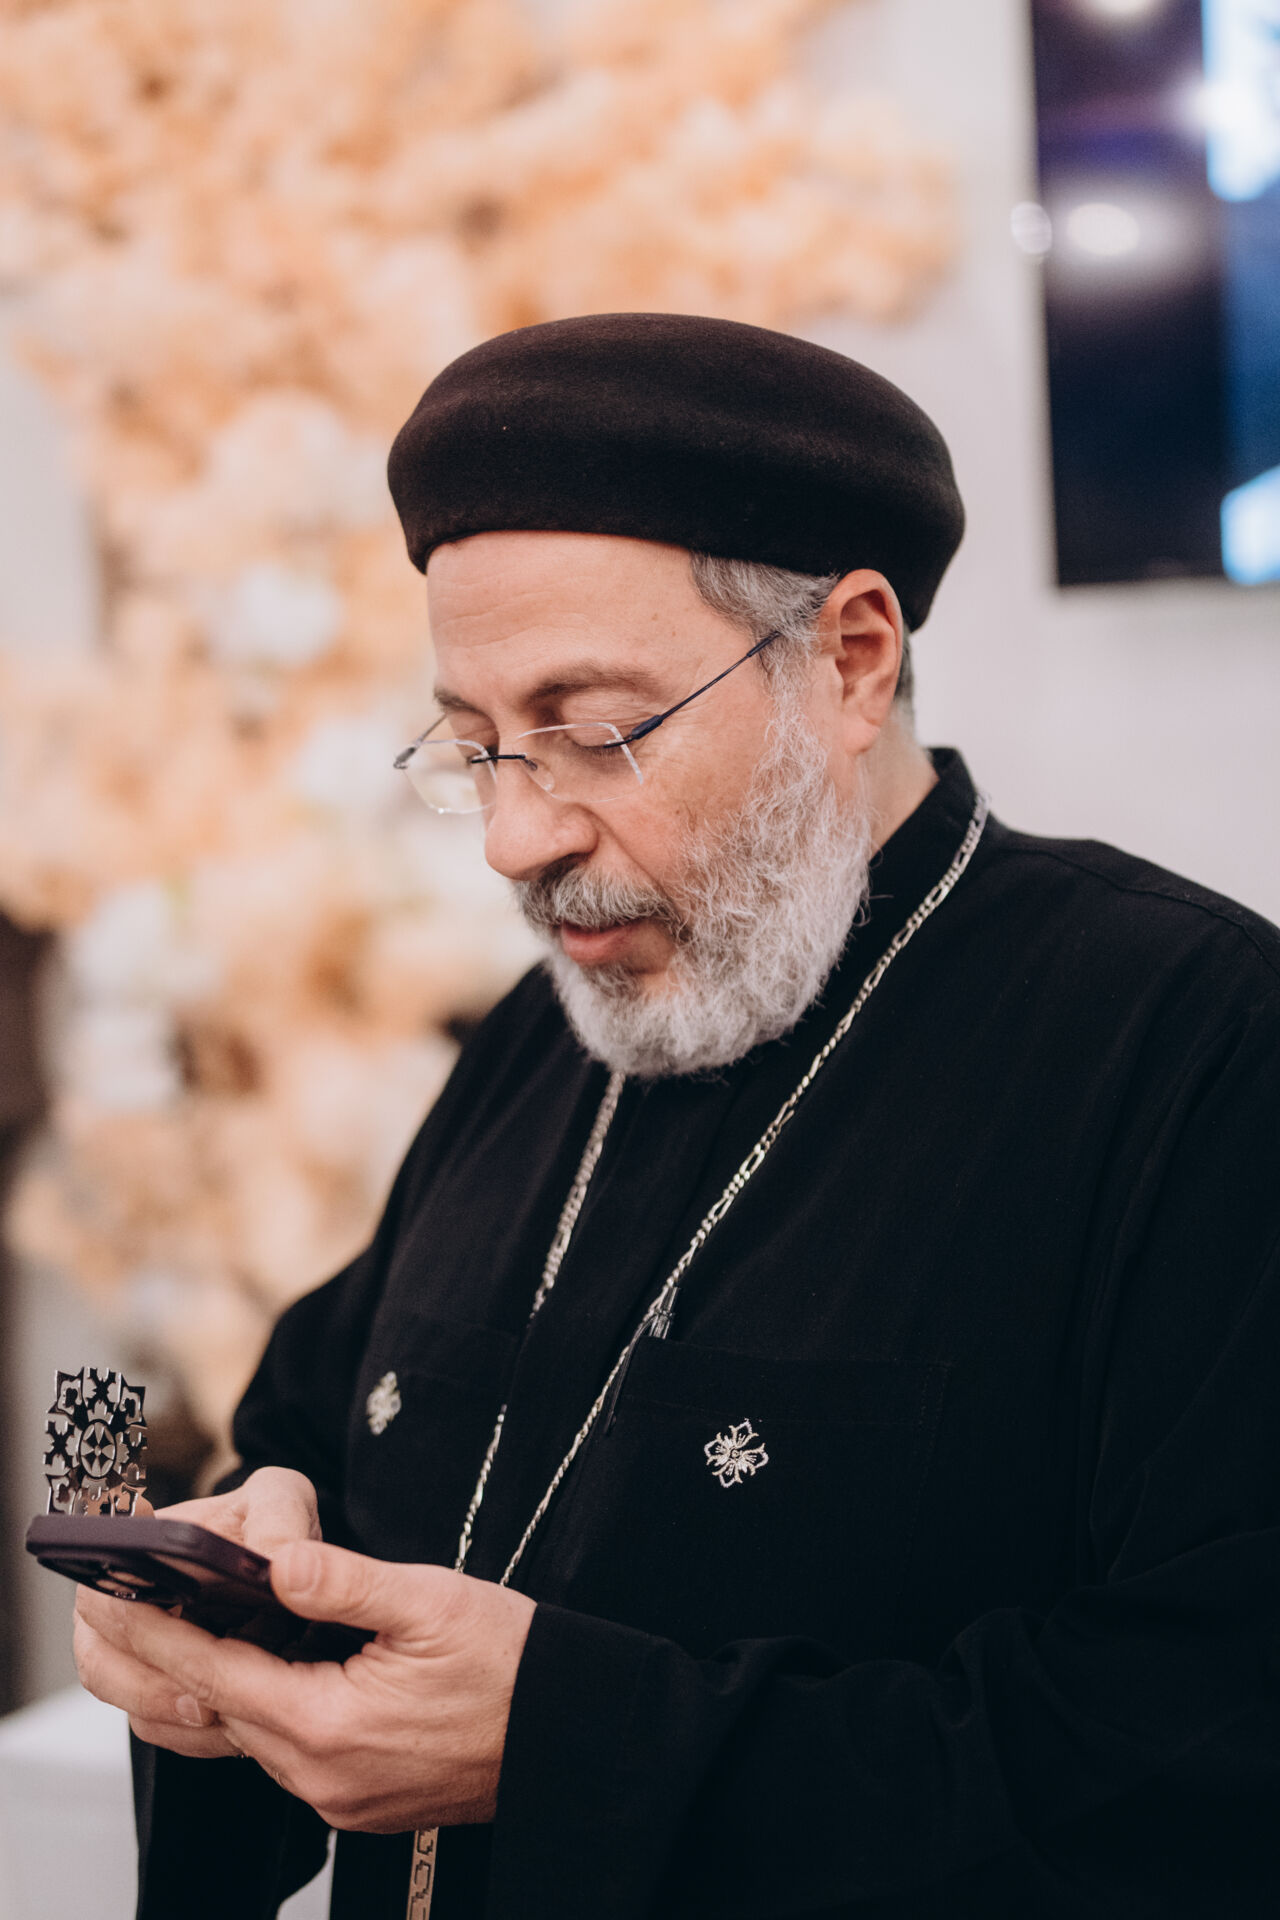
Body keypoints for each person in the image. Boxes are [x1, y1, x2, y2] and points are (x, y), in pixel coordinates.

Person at [75, 315, 1280, 1920]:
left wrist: (570, 1745)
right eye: (477, 744)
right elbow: (313, 1428)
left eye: (593, 730)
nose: (514, 837)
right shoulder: (549, 1029)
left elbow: (1206, 1748)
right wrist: (225, 1596)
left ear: (850, 660)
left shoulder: (1195, 1043)